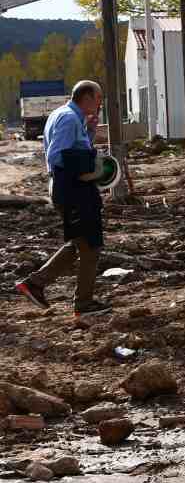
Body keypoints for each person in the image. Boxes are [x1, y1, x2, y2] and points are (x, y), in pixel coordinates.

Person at [15, 81, 112, 318]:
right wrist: (88, 168)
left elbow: (73, 150)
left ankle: (35, 284)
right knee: (90, 246)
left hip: (70, 188)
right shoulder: (68, 118)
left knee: (78, 241)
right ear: (87, 97)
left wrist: (89, 131)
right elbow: (57, 156)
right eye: (98, 98)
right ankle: (83, 304)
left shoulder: (66, 115)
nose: (100, 103)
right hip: (72, 189)